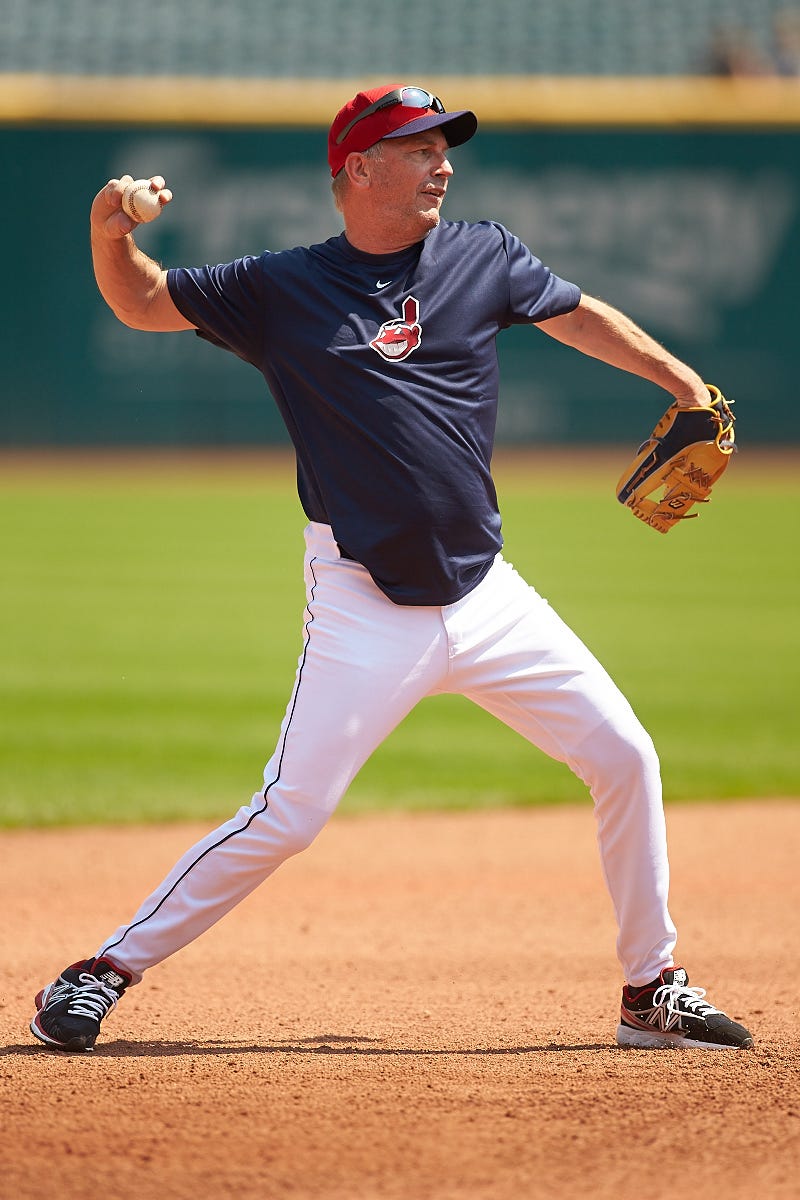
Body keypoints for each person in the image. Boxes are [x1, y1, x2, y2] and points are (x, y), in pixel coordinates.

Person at [31, 83, 753, 1054]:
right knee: (289, 814)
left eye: (442, 149)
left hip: (489, 595)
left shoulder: (480, 255)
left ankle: (649, 987)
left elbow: (575, 315)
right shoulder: (280, 287)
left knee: (623, 757)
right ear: (358, 170)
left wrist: (679, 382)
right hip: (363, 601)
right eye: (418, 149)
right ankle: (99, 972)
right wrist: (108, 230)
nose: (441, 164)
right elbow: (143, 304)